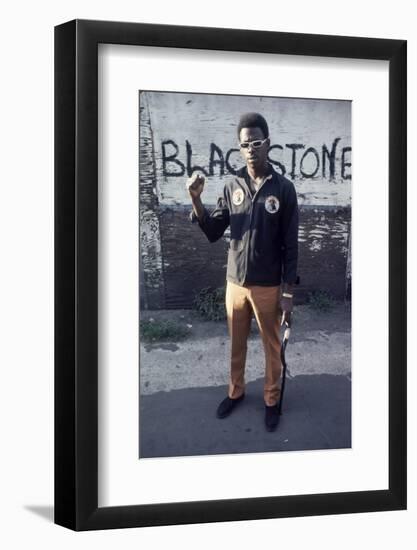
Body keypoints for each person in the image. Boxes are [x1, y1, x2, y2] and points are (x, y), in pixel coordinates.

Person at [187, 112, 298, 432]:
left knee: (272, 348)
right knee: (236, 344)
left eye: (257, 142)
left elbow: (292, 245)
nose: (251, 148)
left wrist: (288, 292)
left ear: (268, 145)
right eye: (245, 144)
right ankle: (235, 393)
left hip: (268, 287)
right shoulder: (231, 185)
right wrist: (196, 201)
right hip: (234, 284)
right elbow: (212, 230)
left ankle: (271, 399)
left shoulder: (284, 189)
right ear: (240, 148)